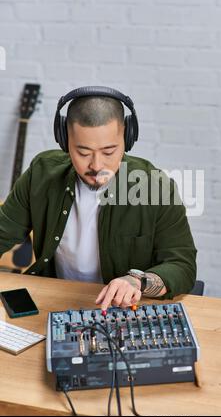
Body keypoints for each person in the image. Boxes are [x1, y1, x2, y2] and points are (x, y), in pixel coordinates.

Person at [0, 86, 197, 309]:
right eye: (83, 152)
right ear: (64, 140)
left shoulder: (155, 187)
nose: (96, 165)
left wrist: (137, 281)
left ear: (127, 138)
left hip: (123, 310)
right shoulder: (41, 173)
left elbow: (183, 266)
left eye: (109, 151)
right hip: (53, 301)